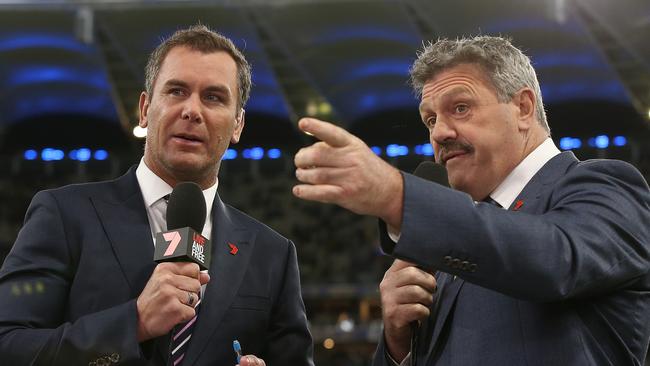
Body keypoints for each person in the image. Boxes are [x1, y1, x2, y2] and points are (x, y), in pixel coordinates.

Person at [293, 35, 650, 365]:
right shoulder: (457, 240)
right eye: (430, 119)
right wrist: (398, 344)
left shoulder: (607, 186)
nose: (439, 133)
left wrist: (396, 194)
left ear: (523, 108)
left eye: (460, 108)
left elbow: (554, 258)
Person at [0, 25, 313, 366]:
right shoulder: (64, 215)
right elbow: (8, 345)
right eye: (177, 91)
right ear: (145, 109)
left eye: (213, 97)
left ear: (237, 124)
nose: (192, 110)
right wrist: (134, 322)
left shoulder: (273, 255)